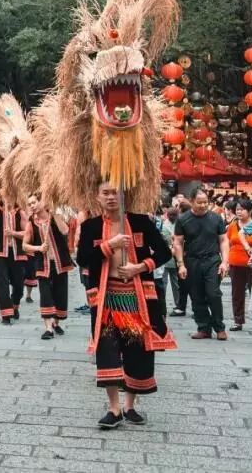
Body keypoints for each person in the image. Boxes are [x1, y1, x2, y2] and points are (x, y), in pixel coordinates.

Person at [75, 181, 176, 429]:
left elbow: (164, 253)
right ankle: (114, 408)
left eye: (115, 193)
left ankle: (130, 405)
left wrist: (138, 267)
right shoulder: (90, 226)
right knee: (107, 349)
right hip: (106, 298)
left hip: (136, 298)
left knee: (137, 349)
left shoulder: (141, 222)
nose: (111, 197)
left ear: (124, 196)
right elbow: (83, 259)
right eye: (106, 193)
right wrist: (109, 246)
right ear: (97, 197)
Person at [174, 189, 229, 340]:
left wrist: (225, 262)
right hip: (192, 261)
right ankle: (204, 327)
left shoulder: (216, 218)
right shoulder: (183, 219)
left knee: (213, 293)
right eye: (199, 202)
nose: (203, 205)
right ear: (192, 201)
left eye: (206, 202)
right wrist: (181, 264)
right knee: (196, 296)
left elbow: (223, 240)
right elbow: (178, 243)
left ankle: (219, 327)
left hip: (212, 260)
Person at [23, 194, 74, 339]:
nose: (32, 206)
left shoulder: (55, 217)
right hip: (42, 264)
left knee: (60, 294)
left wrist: (53, 213)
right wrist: (38, 248)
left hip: (60, 263)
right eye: (29, 204)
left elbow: (65, 231)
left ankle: (56, 323)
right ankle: (48, 329)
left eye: (34, 202)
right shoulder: (31, 223)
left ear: (42, 202)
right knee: (45, 294)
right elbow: (25, 245)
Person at [0, 201, 27, 324]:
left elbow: (27, 233)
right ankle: (5, 314)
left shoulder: (20, 212)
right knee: (1, 284)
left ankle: (15, 305)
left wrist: (13, 233)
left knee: (19, 285)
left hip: (17, 253)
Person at [225, 199, 252, 331]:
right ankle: (238, 320)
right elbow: (227, 242)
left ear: (250, 211)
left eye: (242, 209)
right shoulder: (232, 226)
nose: (239, 212)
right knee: (237, 293)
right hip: (235, 263)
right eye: (237, 210)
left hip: (250, 264)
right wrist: (225, 260)